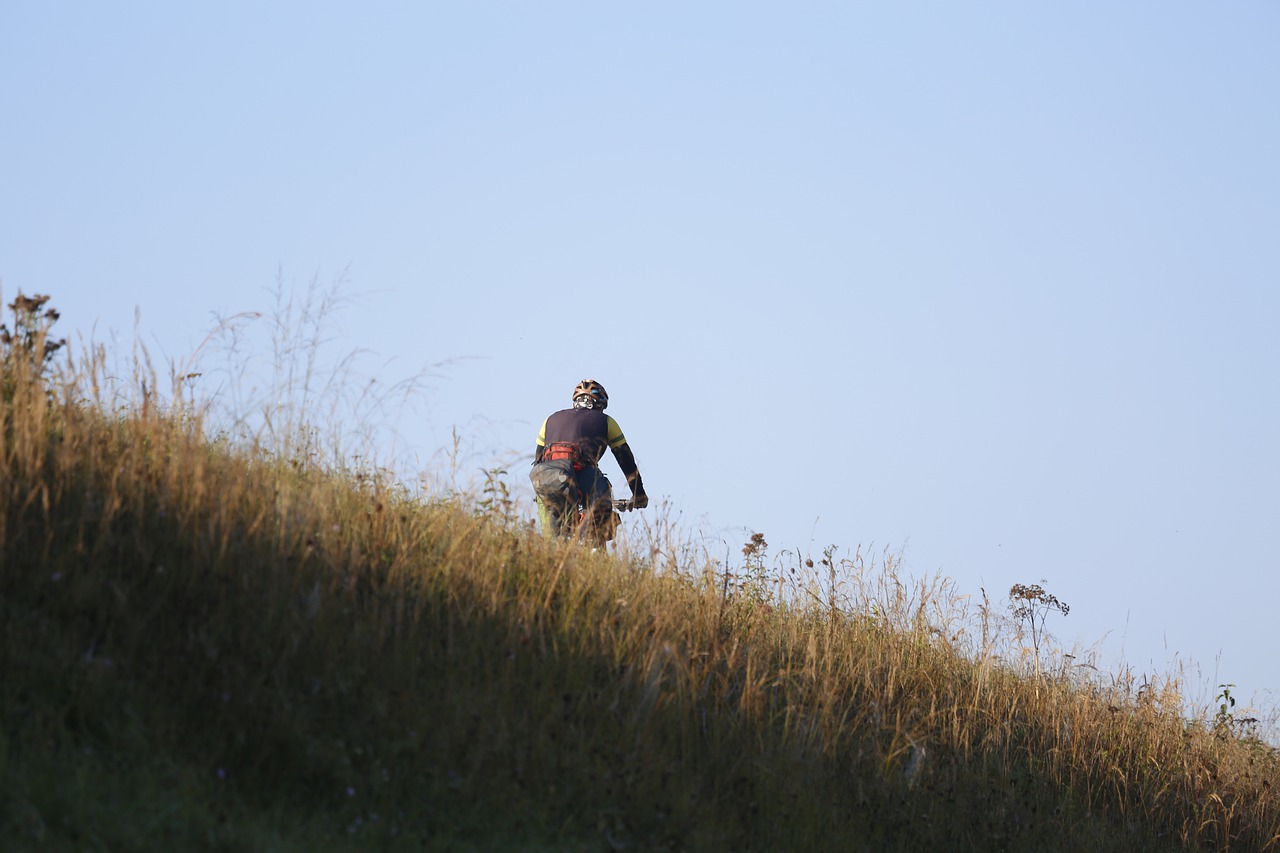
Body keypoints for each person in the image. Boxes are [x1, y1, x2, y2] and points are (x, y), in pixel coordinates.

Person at [529, 379, 648, 545]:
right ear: (600, 405)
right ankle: (592, 545)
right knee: (601, 502)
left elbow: (538, 458)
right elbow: (625, 460)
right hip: (582, 474)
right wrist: (639, 495)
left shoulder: (550, 419)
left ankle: (552, 552)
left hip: (544, 476)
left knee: (552, 531)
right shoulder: (606, 421)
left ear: (574, 402)